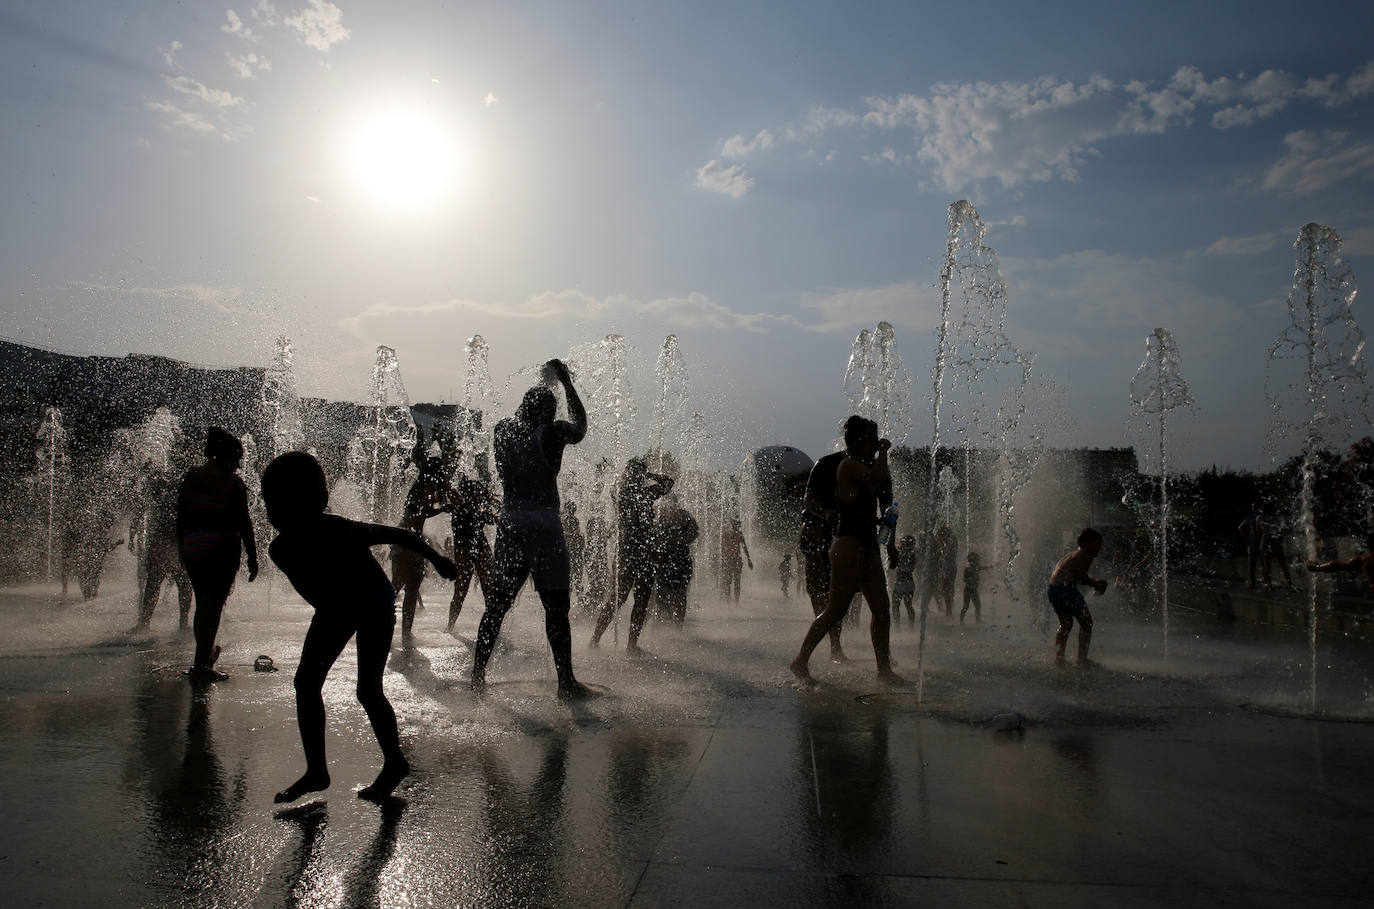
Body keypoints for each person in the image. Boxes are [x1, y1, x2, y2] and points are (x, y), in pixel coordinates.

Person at [261, 451, 457, 804]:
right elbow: (320, 597)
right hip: (336, 609)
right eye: (267, 503)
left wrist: (438, 560)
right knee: (306, 684)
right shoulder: (281, 549)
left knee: (368, 690)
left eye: (276, 502)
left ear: (308, 501)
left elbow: (400, 535)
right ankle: (316, 772)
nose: (269, 512)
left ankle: (394, 763)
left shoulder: (338, 529)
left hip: (373, 605)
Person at [471, 359, 593, 699]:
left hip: (510, 521)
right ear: (548, 412)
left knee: (496, 604)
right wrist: (566, 382)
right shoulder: (552, 434)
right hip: (544, 526)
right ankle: (565, 682)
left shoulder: (501, 431)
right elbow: (580, 428)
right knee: (556, 607)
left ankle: (477, 676)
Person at [790, 417, 904, 687]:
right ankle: (800, 661)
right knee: (835, 609)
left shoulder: (866, 466)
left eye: (878, 440)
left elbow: (884, 506)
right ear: (858, 441)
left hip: (868, 546)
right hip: (848, 545)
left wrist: (889, 542)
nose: (876, 445)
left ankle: (884, 670)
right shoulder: (847, 465)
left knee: (882, 608)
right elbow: (878, 476)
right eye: (872, 440)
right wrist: (885, 453)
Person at [177, 427, 258, 682]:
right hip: (221, 551)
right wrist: (253, 556)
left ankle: (204, 656)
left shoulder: (191, 477)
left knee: (203, 604)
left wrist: (182, 547)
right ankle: (202, 666)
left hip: (193, 549)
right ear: (228, 456)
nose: (239, 463)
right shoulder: (232, 484)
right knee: (213, 608)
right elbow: (243, 522)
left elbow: (181, 518)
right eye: (237, 457)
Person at [590, 458, 674, 653]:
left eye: (638, 473)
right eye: (633, 472)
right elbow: (667, 483)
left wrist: (648, 475)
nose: (635, 476)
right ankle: (601, 640)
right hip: (631, 553)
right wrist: (643, 476)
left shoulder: (641, 492)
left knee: (636, 599)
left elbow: (669, 483)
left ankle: (624, 644)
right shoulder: (626, 493)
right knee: (620, 599)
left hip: (641, 553)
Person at [391, 460, 450, 643]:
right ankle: (383, 624)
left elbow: (422, 511)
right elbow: (414, 515)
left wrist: (442, 507)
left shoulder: (423, 489)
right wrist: (440, 509)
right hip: (406, 543)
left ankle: (405, 632)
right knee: (400, 587)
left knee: (408, 588)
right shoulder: (421, 490)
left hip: (410, 542)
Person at [131, 461, 192, 633]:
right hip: (174, 542)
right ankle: (181, 623)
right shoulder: (178, 490)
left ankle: (145, 623)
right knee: (179, 583)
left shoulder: (165, 490)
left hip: (168, 542)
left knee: (159, 582)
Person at [445, 472, 497, 632]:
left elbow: (490, 518)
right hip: (465, 550)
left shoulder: (471, 509)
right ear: (468, 494)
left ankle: (492, 626)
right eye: (475, 494)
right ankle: (450, 626)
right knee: (461, 590)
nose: (478, 498)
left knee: (487, 589)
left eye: (479, 495)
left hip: (478, 547)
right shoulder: (461, 509)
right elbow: (485, 517)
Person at [1047, 528, 1108, 666]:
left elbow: (1075, 574)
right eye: (1098, 543)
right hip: (1067, 590)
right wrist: (1095, 584)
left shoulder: (1073, 555)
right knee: (1087, 623)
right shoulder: (1086, 555)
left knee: (1066, 624)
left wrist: (1093, 582)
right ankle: (1082, 659)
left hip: (1054, 589)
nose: (1100, 547)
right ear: (1087, 543)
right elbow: (1081, 576)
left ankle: (1059, 657)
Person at [653, 493, 700, 625]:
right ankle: (665, 623)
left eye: (669, 502)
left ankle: (677, 625)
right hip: (663, 559)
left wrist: (679, 541)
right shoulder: (659, 516)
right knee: (662, 593)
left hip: (679, 560)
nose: (667, 505)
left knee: (679, 593)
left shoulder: (683, 516)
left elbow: (695, 532)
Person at [1306, 532, 1374, 594]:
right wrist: (1317, 568)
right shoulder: (1365, 560)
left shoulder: (1365, 560)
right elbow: (1336, 566)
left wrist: (1316, 568)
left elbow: (1337, 566)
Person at [719, 517, 753, 602]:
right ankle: (729, 603)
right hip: (730, 560)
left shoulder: (739, 534)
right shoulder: (727, 534)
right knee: (729, 582)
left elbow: (744, 547)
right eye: (736, 524)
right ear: (732, 524)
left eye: (738, 524)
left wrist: (749, 560)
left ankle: (735, 603)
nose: (737, 526)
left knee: (734, 583)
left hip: (735, 560)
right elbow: (722, 548)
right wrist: (723, 559)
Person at [562, 500, 586, 610]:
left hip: (572, 558)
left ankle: (577, 606)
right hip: (572, 558)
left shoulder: (568, 524)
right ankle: (580, 606)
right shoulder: (569, 524)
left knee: (574, 584)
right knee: (575, 583)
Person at [890, 534, 917, 626]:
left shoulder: (902, 553)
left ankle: (898, 627)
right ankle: (911, 626)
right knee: (908, 606)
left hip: (900, 584)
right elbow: (910, 568)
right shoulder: (912, 555)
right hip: (909, 584)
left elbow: (893, 566)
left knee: (895, 606)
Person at [1239, 503, 1264, 589]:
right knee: (1261, 563)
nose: (1254, 509)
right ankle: (1264, 582)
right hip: (1258, 542)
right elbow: (1241, 527)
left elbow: (1240, 527)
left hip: (1254, 542)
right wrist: (1246, 538)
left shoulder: (1252, 517)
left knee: (1253, 564)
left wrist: (1246, 538)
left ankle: (1254, 583)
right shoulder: (1260, 517)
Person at [960, 550, 984, 623]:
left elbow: (984, 568)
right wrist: (970, 580)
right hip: (969, 590)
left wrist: (993, 566)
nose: (978, 562)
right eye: (977, 560)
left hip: (973, 590)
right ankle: (961, 620)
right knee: (966, 606)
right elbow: (964, 579)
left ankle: (978, 620)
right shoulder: (968, 569)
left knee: (977, 606)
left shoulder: (977, 568)